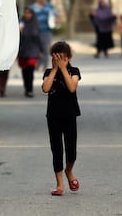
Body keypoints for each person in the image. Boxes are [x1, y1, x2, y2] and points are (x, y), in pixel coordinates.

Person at [42, 41, 81, 196]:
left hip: (70, 114)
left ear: (69, 58)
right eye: (56, 58)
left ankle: (69, 170)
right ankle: (59, 184)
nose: (59, 61)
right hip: (53, 116)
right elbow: (45, 88)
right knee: (56, 149)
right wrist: (54, 70)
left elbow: (72, 87)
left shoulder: (74, 71)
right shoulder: (48, 72)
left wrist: (64, 69)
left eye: (62, 58)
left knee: (71, 150)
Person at [30, 0, 58, 71]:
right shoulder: (32, 7)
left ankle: (44, 66)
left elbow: (56, 14)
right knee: (37, 49)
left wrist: (56, 19)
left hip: (46, 31)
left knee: (46, 49)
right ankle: (38, 64)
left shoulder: (49, 6)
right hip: (35, 31)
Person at [18, 7, 43, 97]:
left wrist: (41, 49)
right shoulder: (21, 23)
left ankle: (30, 89)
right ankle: (26, 88)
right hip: (23, 51)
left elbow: (39, 38)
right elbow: (17, 39)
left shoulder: (35, 24)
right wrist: (19, 31)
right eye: (26, 13)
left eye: (29, 13)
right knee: (24, 72)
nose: (27, 15)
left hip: (33, 51)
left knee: (30, 70)